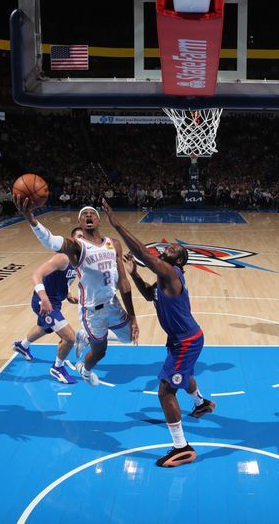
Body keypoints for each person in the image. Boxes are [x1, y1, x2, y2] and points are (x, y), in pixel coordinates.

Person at [102, 198, 214, 468]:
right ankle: (201, 404)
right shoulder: (164, 280)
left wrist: (116, 224)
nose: (169, 247)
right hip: (183, 340)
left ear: (178, 260)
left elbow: (142, 251)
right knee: (181, 375)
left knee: (165, 391)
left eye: (174, 249)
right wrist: (135, 274)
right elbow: (149, 294)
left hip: (186, 341)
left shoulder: (172, 273)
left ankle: (182, 447)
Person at [13, 197, 139, 386]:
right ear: (80, 223)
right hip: (85, 309)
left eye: (92, 213)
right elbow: (50, 241)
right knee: (92, 348)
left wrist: (132, 314)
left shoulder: (113, 244)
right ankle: (67, 367)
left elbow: (121, 281)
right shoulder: (74, 249)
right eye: (84, 214)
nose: (88, 215)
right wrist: (31, 220)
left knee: (129, 337)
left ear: (98, 220)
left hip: (111, 304)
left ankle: (26, 345)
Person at [12, 227, 84, 384]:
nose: (82, 239)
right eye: (79, 236)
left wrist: (68, 294)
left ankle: (22, 346)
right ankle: (57, 367)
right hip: (44, 302)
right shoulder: (63, 258)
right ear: (71, 240)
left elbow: (66, 279)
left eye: (84, 237)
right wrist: (44, 298)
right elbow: (36, 275)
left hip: (55, 302)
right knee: (70, 338)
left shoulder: (78, 260)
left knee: (45, 327)